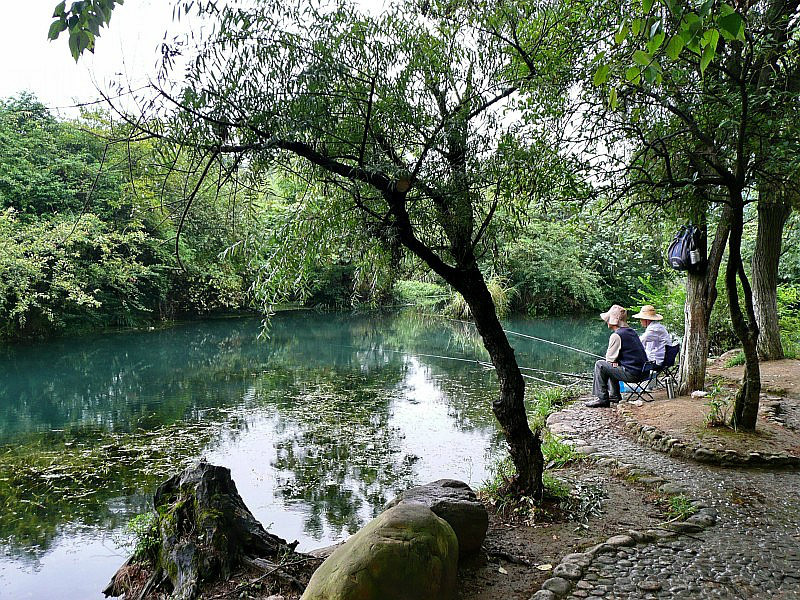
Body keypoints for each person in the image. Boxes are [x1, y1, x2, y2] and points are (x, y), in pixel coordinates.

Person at [586, 304, 649, 408]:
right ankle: (614, 395)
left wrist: (613, 362)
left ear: (612, 320)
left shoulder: (616, 335)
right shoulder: (631, 331)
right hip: (643, 372)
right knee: (612, 366)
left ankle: (602, 399)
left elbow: (609, 360)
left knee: (600, 365)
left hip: (634, 374)